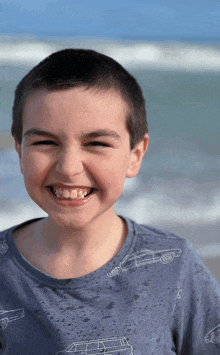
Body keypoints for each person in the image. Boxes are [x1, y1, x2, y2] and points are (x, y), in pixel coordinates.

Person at [0, 49, 220, 355]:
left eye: (96, 143)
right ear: (20, 151)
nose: (68, 167)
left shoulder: (174, 265)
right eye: (45, 142)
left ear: (135, 155)